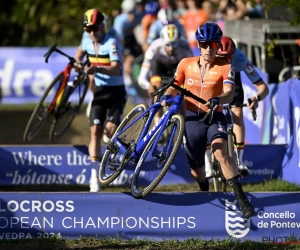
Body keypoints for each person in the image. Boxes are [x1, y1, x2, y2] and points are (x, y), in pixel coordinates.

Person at [160, 23, 255, 219]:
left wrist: (218, 99)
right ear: (199, 44)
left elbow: (229, 93)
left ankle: (242, 200)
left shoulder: (225, 67)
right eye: (204, 44)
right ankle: (204, 189)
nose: (208, 49)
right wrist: (165, 97)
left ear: (218, 45)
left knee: (221, 153)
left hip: (214, 116)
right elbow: (174, 86)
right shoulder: (185, 63)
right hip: (192, 119)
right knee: (198, 172)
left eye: (213, 44)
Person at [75, 9, 127, 192]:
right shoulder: (88, 41)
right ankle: (94, 178)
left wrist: (97, 69)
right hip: (99, 92)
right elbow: (78, 55)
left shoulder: (111, 43)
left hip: (116, 92)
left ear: (103, 26)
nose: (91, 33)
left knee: (109, 131)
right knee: (95, 132)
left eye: (95, 29)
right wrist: (77, 64)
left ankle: (111, 142)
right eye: (87, 29)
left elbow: (115, 68)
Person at [203, 36, 268, 177]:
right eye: (222, 58)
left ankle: (239, 160)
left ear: (234, 54)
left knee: (237, 113)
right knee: (206, 115)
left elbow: (263, 87)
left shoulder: (240, 59)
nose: (226, 62)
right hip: (213, 78)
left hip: (232, 80)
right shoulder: (207, 58)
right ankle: (207, 162)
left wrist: (256, 98)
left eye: (229, 58)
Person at [138, 24, 193, 124]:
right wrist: (149, 86)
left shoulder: (185, 46)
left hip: (177, 67)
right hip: (159, 67)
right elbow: (142, 78)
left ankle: (183, 127)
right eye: (168, 45)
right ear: (162, 41)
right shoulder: (154, 47)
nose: (171, 48)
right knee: (156, 87)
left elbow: (192, 72)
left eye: (174, 44)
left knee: (183, 92)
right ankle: (157, 122)